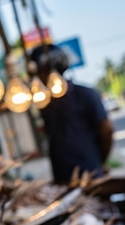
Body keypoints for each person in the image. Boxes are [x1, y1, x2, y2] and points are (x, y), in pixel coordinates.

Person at [29, 44, 114, 183]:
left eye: (41, 71)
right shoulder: (43, 101)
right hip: (61, 176)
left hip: (90, 173)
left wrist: (101, 161)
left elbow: (107, 130)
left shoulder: (86, 94)